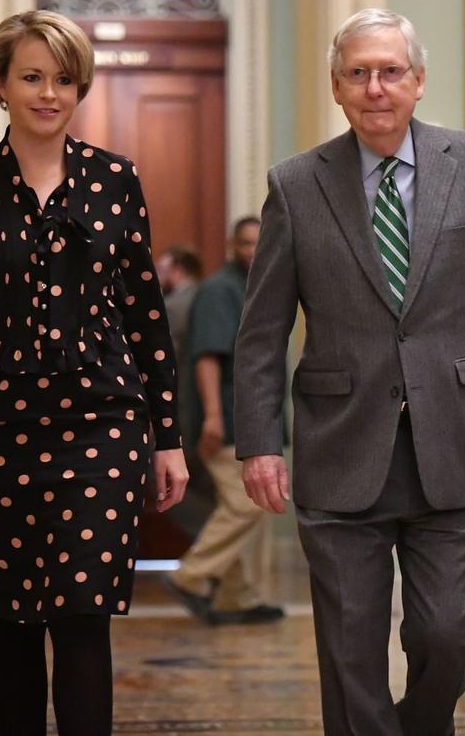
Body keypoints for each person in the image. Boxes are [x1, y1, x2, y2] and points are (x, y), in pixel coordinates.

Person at [233, 7, 465, 735]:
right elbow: (262, 331)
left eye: (391, 72)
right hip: (341, 446)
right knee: (351, 654)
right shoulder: (295, 184)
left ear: (418, 82)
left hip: (458, 440)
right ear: (337, 88)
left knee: (446, 637)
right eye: (359, 74)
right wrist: (259, 441)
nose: (376, 87)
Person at [0, 10, 189, 736]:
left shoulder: (115, 181)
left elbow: (146, 320)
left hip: (101, 425)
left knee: (83, 616)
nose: (49, 93)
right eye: (32, 76)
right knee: (8, 625)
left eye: (65, 78)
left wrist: (169, 436)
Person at [165, 216, 284, 625]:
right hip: (228, 422)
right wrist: (213, 418)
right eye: (246, 243)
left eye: (260, 242)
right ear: (233, 244)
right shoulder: (219, 290)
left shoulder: (257, 285)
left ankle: (237, 596)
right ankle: (190, 577)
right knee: (244, 506)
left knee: (245, 507)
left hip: (252, 419)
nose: (254, 250)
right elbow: (208, 359)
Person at [157, 243, 203, 370]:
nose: (157, 275)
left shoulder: (171, 305)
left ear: (178, 271)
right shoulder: (203, 292)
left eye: (161, 270)